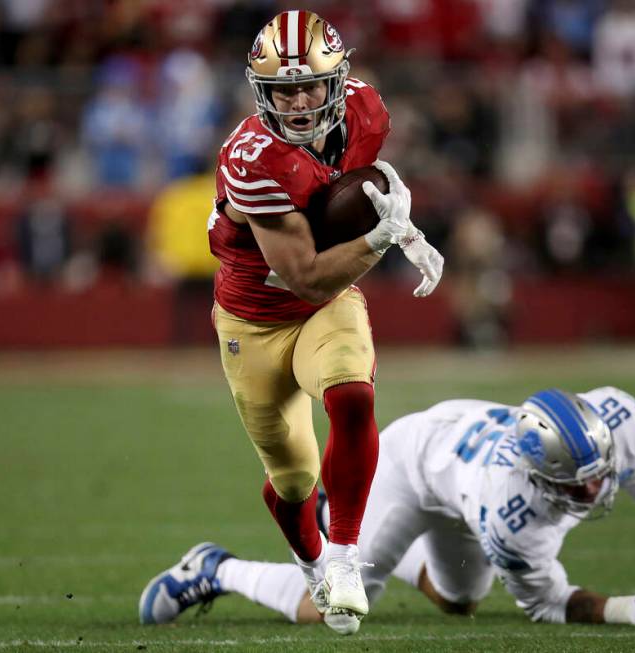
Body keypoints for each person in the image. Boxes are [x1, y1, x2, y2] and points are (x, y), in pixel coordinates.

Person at [137, 10, 444, 636]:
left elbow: (339, 216)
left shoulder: (366, 113)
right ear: (261, 92)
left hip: (327, 309)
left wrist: (384, 220)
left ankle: (346, 556)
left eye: (310, 86)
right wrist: (383, 237)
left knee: (353, 394)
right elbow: (304, 273)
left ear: (338, 82)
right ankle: (312, 570)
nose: (300, 101)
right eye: (284, 89)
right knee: (294, 479)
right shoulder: (252, 158)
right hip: (254, 321)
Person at [139, 387, 635, 628]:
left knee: (461, 604)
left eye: (597, 476)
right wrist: (628, 610)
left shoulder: (618, 424)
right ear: (539, 475)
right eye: (576, 487)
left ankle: (351, 529)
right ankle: (215, 567)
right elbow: (547, 603)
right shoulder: (508, 510)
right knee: (335, 610)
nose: (595, 492)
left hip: (458, 463)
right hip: (410, 464)